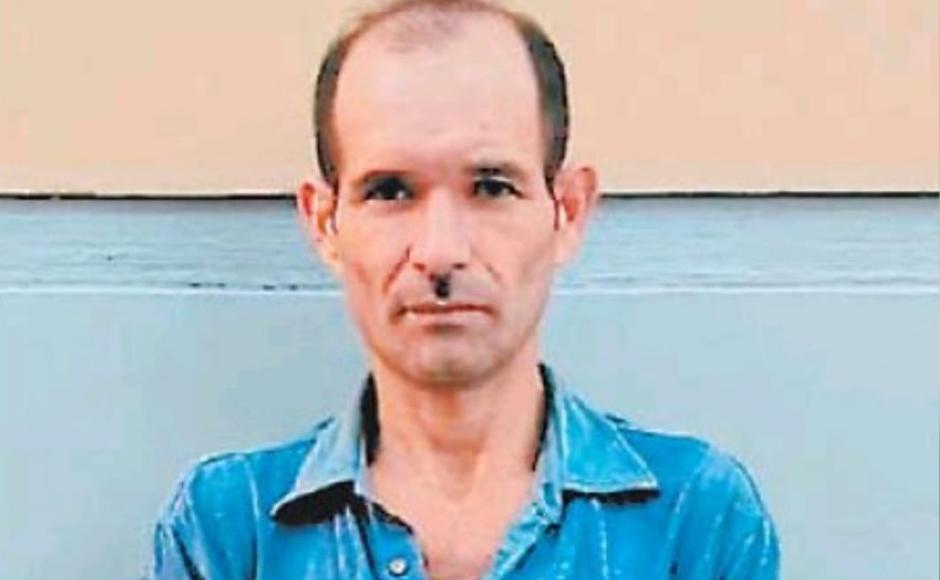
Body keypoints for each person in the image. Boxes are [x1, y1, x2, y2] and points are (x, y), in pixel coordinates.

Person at [150, 1, 779, 578]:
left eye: (491, 187)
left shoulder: (695, 519)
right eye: (390, 191)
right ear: (325, 223)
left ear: (567, 211)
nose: (441, 251)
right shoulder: (228, 530)